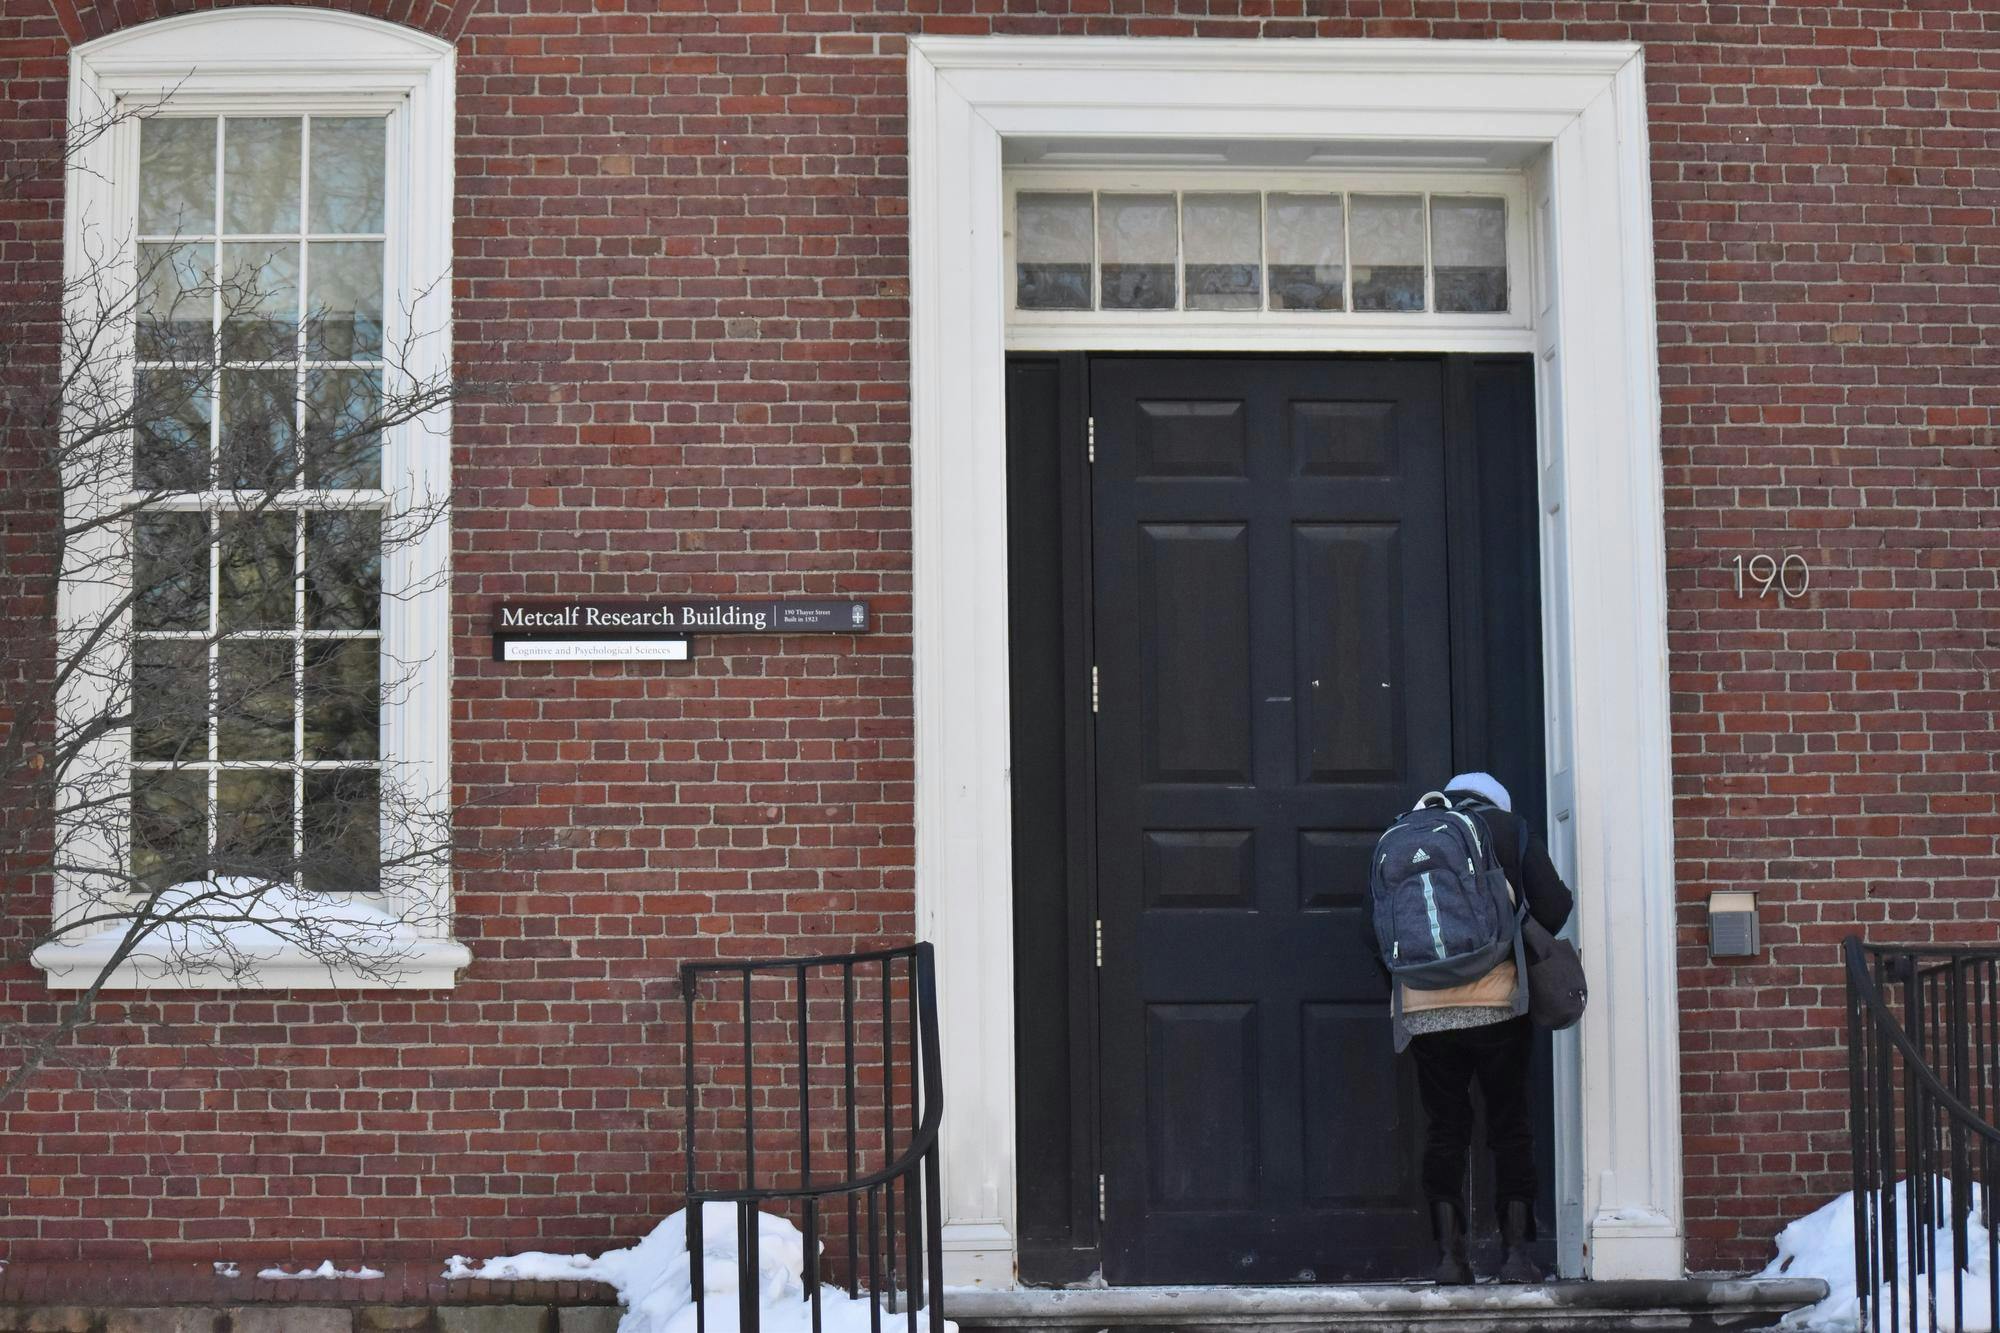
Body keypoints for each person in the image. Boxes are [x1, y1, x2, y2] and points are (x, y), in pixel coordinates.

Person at [1398, 772, 1572, 1286]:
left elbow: (1373, 929)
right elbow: (1556, 907)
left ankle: (1450, 1258)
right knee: (1510, 1125)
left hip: (1426, 1008)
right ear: (1497, 802)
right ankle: (1517, 1254)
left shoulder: (1408, 832)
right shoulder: (1509, 828)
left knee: (1445, 1128)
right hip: (1498, 1002)